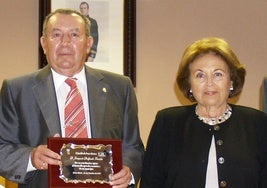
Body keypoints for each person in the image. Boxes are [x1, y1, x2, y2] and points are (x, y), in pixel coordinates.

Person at [0, 8, 144, 188]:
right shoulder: (17, 90)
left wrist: (128, 171)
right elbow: (2, 148)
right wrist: (31, 157)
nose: (65, 42)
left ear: (89, 43)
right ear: (44, 43)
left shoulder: (120, 87)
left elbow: (134, 147)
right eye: (57, 35)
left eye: (75, 35)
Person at [140, 37, 267, 188]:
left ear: (231, 81)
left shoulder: (257, 123)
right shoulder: (167, 122)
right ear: (190, 84)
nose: (209, 83)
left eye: (218, 74)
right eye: (200, 75)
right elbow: (151, 183)